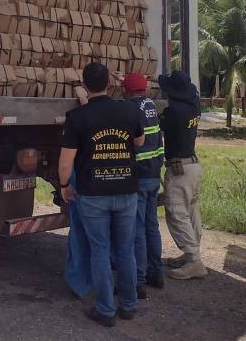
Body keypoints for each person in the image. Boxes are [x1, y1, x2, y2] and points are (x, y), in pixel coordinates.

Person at [59, 62, 145, 328]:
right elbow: (139, 142)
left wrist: (64, 185)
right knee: (125, 249)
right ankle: (129, 305)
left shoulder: (77, 118)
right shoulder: (130, 110)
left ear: (84, 86)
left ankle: (106, 310)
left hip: (93, 194)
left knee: (99, 250)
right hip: (127, 191)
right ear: (110, 84)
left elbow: (66, 162)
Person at [158, 71, 207, 280]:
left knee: (177, 212)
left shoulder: (173, 113)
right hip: (193, 167)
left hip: (179, 170)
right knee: (190, 210)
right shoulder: (194, 106)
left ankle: (194, 261)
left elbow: (155, 123)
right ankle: (190, 255)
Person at [122, 73, 165, 298]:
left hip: (138, 176)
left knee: (136, 230)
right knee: (152, 226)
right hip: (154, 173)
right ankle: (156, 274)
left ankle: (137, 281)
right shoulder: (150, 106)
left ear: (127, 91)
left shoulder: (129, 109)